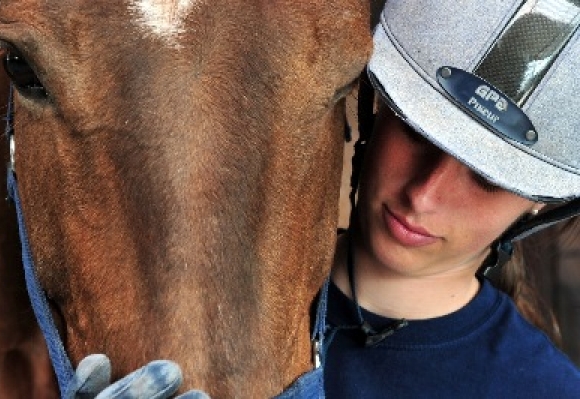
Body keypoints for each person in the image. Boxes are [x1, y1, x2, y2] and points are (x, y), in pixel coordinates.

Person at [71, 0, 580, 397]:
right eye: (417, 134)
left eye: (487, 179)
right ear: (374, 108)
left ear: (541, 203)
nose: (424, 195)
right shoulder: (200, 297)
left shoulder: (542, 390)